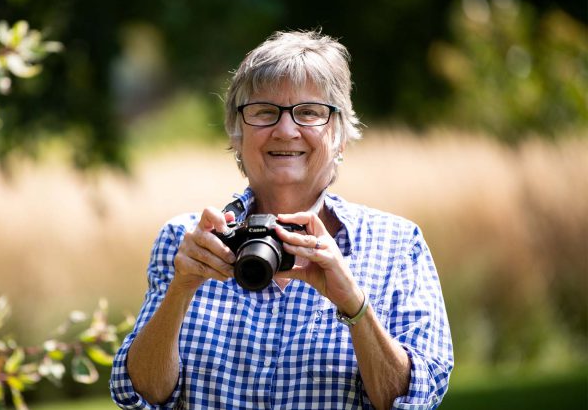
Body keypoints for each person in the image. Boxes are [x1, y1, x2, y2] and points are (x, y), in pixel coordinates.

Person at [110, 30, 453, 410]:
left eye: (309, 112)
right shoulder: (190, 241)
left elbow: (414, 402)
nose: (286, 130)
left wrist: (354, 305)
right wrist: (181, 290)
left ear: (339, 134)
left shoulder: (397, 245)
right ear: (237, 133)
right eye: (264, 112)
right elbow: (139, 394)